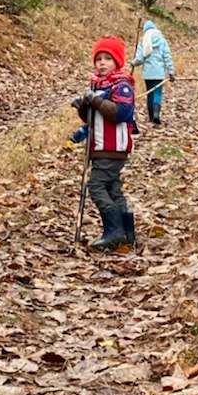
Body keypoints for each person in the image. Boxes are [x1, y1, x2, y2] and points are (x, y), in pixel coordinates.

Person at [70, 35, 136, 251]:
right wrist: (83, 105)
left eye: (108, 58)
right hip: (100, 147)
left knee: (96, 186)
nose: (102, 63)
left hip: (112, 147)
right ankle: (127, 232)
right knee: (113, 188)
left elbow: (121, 113)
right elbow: (91, 117)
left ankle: (113, 230)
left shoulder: (121, 85)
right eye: (99, 59)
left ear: (117, 62)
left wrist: (95, 100)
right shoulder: (98, 85)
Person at [132, 18, 175, 126]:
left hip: (148, 73)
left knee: (150, 93)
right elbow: (167, 55)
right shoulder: (161, 39)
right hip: (159, 72)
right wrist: (171, 71)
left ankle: (151, 117)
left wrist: (133, 63)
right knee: (158, 93)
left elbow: (140, 59)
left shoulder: (144, 40)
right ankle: (156, 115)